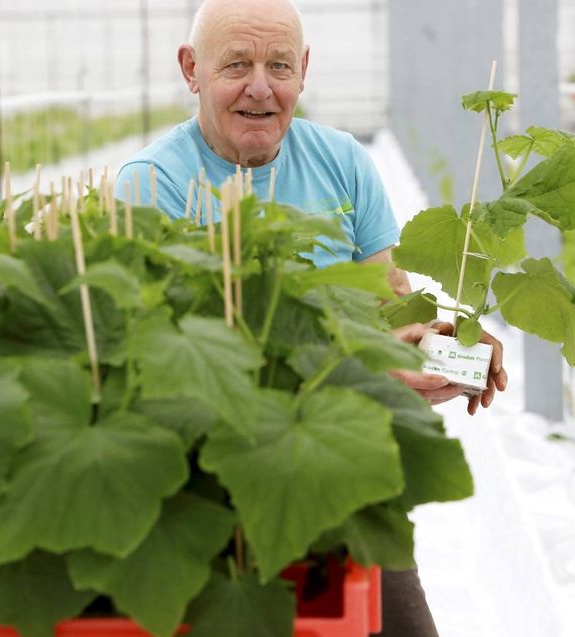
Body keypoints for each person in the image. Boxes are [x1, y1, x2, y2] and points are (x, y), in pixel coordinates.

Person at [114, 1, 508, 634]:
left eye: (279, 65)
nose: (261, 88)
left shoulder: (343, 162)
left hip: (336, 466)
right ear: (191, 70)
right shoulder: (150, 186)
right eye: (236, 65)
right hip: (213, 483)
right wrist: (365, 373)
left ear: (304, 71)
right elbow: (162, 367)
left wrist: (442, 349)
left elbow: (388, 304)